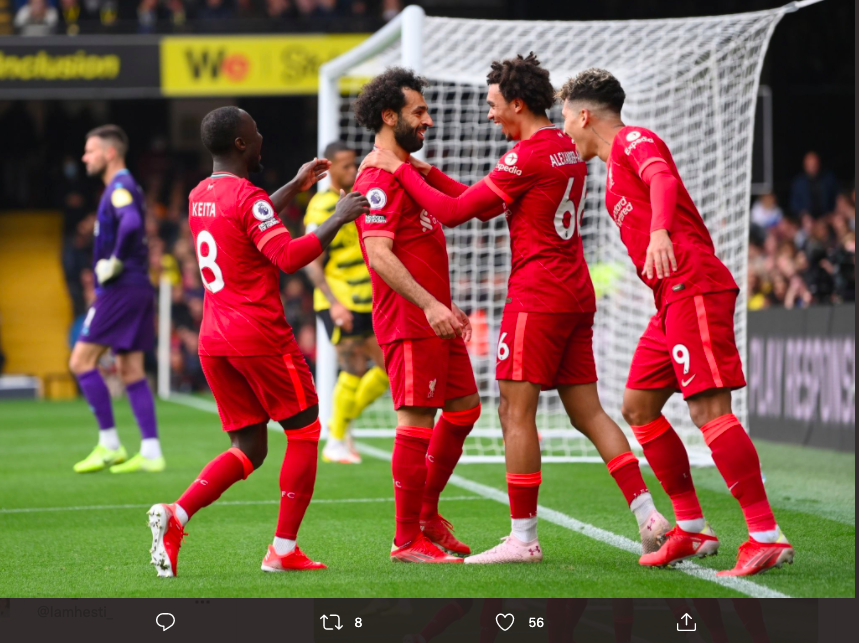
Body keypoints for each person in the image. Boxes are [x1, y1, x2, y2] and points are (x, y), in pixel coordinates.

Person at [361, 54, 667, 565]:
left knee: (513, 410)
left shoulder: (525, 156)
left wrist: (398, 168)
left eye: (493, 105)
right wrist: (425, 171)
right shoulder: (566, 149)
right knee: (588, 411)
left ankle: (523, 538)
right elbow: (482, 201)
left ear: (517, 104)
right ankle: (648, 516)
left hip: (537, 296)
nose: (488, 115)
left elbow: (459, 213)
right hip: (575, 290)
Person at [558, 68, 793, 576]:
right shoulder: (610, 175)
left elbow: (661, 178)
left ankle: (765, 534)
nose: (565, 133)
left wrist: (661, 232)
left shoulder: (632, 140)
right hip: (669, 301)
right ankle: (691, 528)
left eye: (565, 120)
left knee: (709, 408)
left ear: (583, 115)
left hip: (694, 283)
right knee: (638, 407)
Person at [147, 106, 369, 577]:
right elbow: (287, 256)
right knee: (306, 431)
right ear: (243, 144)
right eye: (256, 130)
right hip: (259, 335)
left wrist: (294, 185)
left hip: (215, 338)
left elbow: (246, 215)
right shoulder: (249, 199)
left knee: (250, 446)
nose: (262, 134)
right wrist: (338, 218)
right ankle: (283, 550)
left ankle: (177, 515)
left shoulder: (199, 194)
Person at [353, 67, 481, 563]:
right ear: (390, 116)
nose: (429, 120)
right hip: (411, 321)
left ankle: (426, 514)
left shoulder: (408, 172)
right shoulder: (376, 179)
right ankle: (406, 540)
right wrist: (429, 304)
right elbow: (380, 253)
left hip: (436, 318)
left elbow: (460, 208)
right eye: (419, 112)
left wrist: (444, 304)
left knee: (466, 407)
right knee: (415, 422)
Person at [69, 126, 165, 475]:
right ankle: (151, 451)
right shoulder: (120, 187)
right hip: (137, 288)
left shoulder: (120, 187)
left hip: (121, 287)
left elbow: (131, 223)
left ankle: (109, 444)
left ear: (110, 153)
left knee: (81, 361)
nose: (85, 157)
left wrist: (117, 259)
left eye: (90, 150)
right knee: (131, 369)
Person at [303, 141, 389, 464]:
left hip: (368, 300)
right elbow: (312, 260)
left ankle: (341, 426)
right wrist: (333, 302)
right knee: (352, 367)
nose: (352, 171)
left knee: (388, 372)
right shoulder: (321, 206)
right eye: (345, 166)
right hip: (339, 301)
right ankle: (335, 440)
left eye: (354, 164)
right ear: (329, 169)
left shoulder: (358, 200)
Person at [789, 151, 839, 220]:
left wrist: (831, 214)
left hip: (827, 216)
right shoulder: (798, 182)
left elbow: (837, 197)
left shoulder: (828, 179)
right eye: (810, 165)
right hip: (807, 218)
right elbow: (794, 204)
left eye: (815, 164)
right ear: (805, 165)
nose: (813, 167)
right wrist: (803, 215)